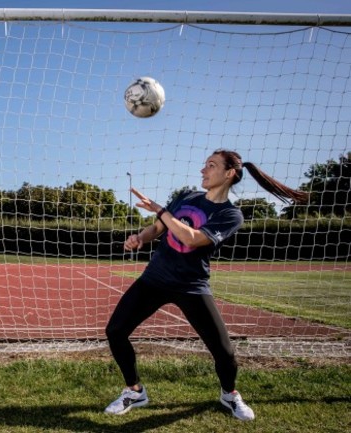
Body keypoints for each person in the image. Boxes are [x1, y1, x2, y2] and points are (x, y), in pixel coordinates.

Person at [104, 149, 308, 421]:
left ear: (229, 173)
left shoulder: (230, 215)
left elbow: (191, 238)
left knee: (224, 353)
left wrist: (161, 210)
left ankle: (229, 394)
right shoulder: (187, 197)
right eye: (204, 165)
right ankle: (135, 390)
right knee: (115, 331)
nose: (203, 170)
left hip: (192, 286)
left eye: (211, 165)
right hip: (155, 279)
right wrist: (140, 237)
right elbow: (159, 228)